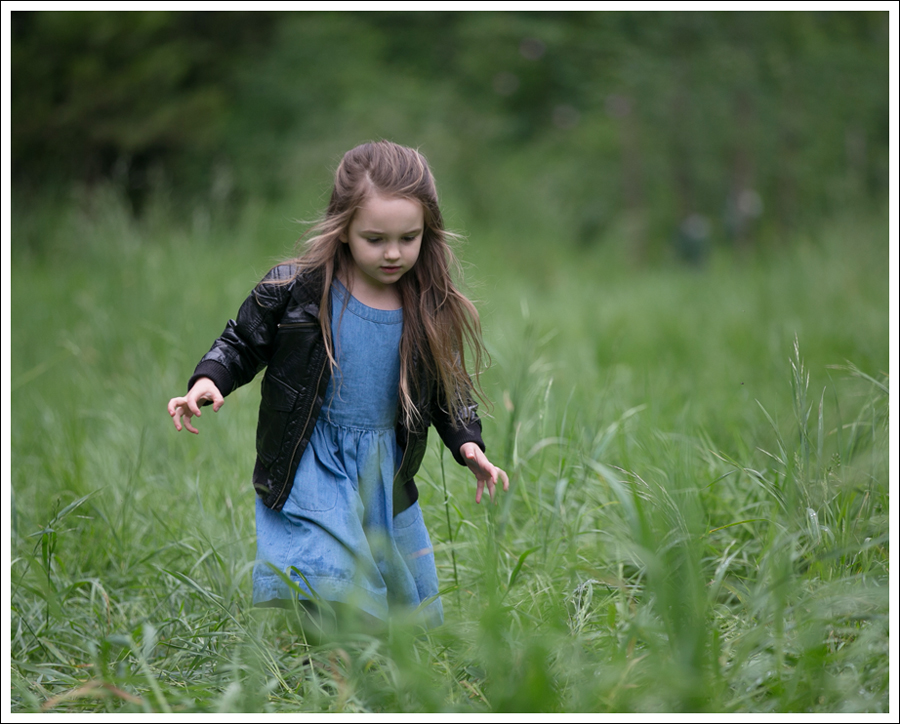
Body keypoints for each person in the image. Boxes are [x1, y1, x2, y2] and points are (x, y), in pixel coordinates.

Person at [167, 140, 508, 631]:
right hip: (313, 451)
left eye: (408, 238)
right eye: (375, 239)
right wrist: (209, 379)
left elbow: (446, 390)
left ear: (426, 232)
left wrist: (469, 444)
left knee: (393, 587)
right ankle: (327, 660)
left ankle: (367, 661)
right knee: (330, 564)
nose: (393, 253)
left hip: (380, 462)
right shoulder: (299, 290)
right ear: (343, 227)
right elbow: (242, 340)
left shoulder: (427, 304)